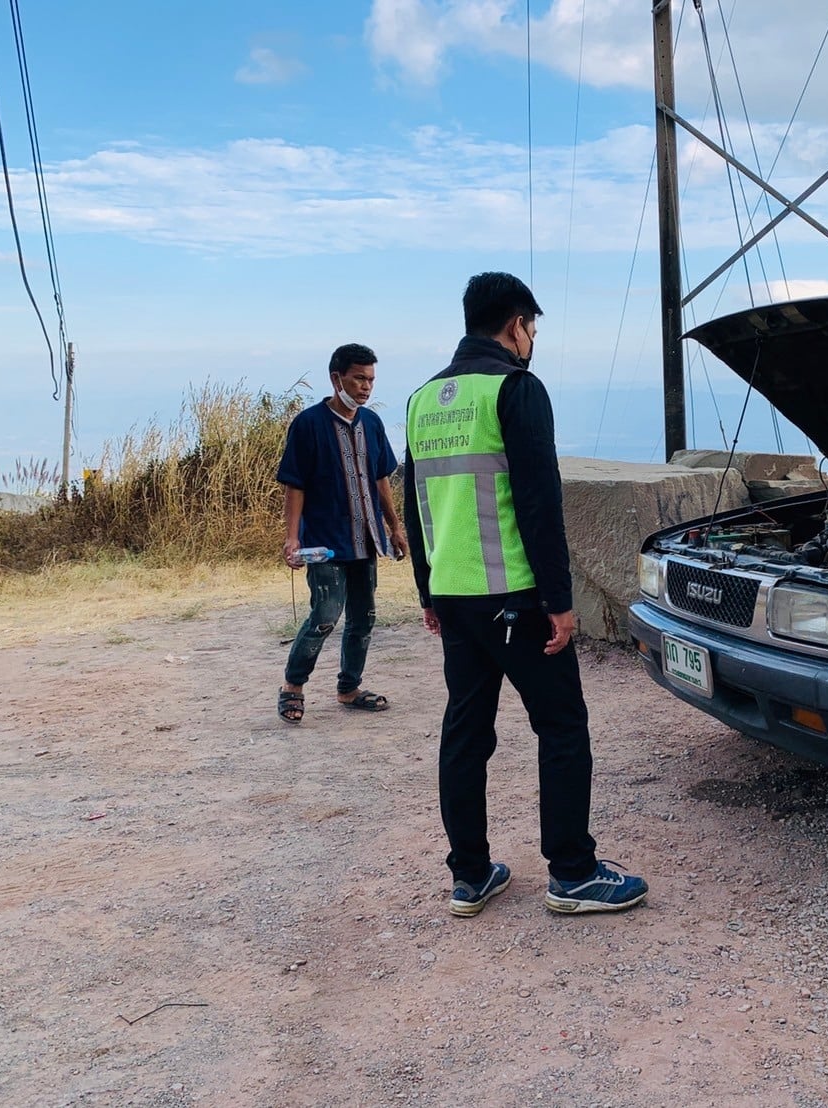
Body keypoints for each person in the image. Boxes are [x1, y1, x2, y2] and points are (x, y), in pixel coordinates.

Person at [402, 271, 648, 918]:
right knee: (562, 726)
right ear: (516, 325)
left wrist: (427, 591)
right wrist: (560, 601)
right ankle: (573, 873)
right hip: (515, 596)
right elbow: (540, 503)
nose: (532, 339)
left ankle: (470, 875)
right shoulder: (515, 388)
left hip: (455, 596)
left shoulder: (423, 400)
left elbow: (416, 504)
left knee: (465, 734)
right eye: (532, 328)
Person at [276, 343, 407, 724]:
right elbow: (295, 484)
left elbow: (381, 480)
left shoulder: (372, 424)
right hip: (325, 542)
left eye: (371, 380)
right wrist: (292, 537)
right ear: (337, 378)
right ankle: (292, 687)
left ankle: (349, 688)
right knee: (325, 614)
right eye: (359, 378)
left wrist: (394, 527)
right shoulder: (308, 424)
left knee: (364, 618)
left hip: (366, 539)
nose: (366, 387)